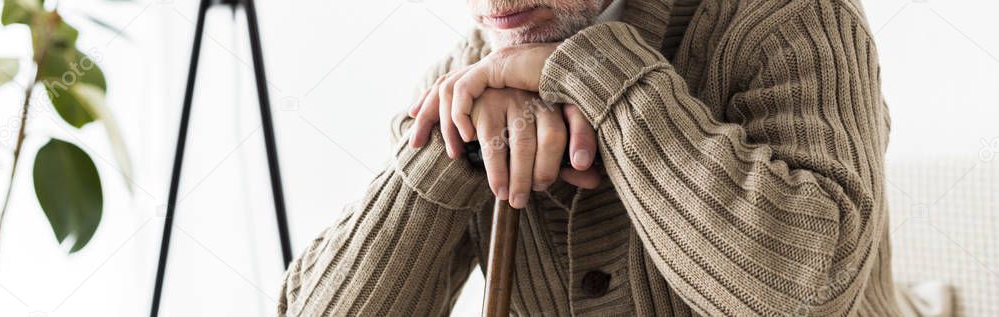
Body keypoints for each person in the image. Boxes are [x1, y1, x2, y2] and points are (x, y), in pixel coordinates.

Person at [278, 0, 908, 315]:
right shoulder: (466, 72)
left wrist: (600, 77)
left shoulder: (791, 19)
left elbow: (809, 291)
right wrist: (448, 153)